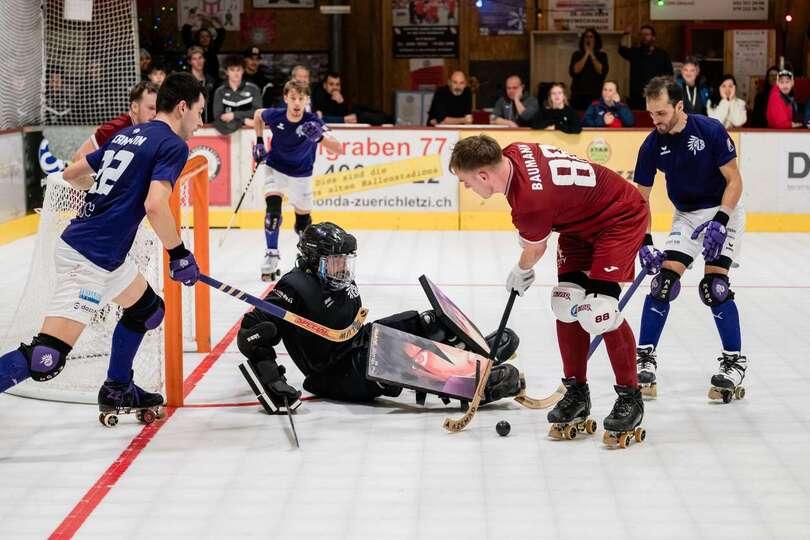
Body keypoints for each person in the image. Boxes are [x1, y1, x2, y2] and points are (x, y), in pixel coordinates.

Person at [0, 72, 206, 417]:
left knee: (147, 310)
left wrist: (108, 195)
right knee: (45, 357)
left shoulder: (126, 135)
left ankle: (117, 388)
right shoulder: (173, 145)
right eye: (199, 112)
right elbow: (155, 205)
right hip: (89, 259)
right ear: (183, 107)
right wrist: (179, 254)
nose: (200, 122)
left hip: (104, 255)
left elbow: (72, 174)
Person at [449, 134, 649, 444]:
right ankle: (576, 392)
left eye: (466, 181)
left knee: (600, 312)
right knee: (565, 303)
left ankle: (630, 397)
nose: (466, 187)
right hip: (578, 224)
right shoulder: (514, 151)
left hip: (618, 218)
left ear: (484, 175)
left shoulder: (529, 203)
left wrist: (521, 270)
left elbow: (535, 249)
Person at [236, 221, 522, 411]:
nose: (343, 268)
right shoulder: (294, 285)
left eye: (346, 260)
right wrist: (270, 376)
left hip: (356, 343)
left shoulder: (338, 279)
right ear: (314, 261)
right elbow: (251, 331)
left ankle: (473, 354)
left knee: (424, 320)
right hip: (334, 373)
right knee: (396, 355)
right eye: (336, 261)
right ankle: (472, 382)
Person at [633, 76, 746, 403]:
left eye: (662, 113)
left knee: (715, 286)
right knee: (663, 283)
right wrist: (645, 241)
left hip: (724, 210)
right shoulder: (652, 144)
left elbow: (735, 180)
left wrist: (721, 221)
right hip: (686, 215)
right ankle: (645, 358)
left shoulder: (709, 130)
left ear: (679, 106)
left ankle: (735, 363)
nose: (656, 121)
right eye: (651, 114)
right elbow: (640, 200)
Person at [252, 80, 344, 282]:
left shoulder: (313, 121)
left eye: (301, 98)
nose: (296, 103)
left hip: (301, 174)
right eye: (293, 98)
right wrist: (259, 141)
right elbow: (258, 115)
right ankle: (271, 254)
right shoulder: (275, 115)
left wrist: (319, 138)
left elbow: (338, 148)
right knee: (272, 213)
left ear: (307, 100)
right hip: (275, 167)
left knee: (302, 224)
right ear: (286, 98)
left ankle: (307, 257)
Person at [71, 81, 159, 163]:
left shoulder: (156, 129)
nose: (155, 113)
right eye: (151, 108)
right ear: (135, 107)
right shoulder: (114, 128)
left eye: (158, 109)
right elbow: (77, 159)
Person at [619, 24, 673, 109]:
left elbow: (669, 74)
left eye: (647, 34)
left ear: (653, 37)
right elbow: (621, 49)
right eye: (641, 35)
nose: (644, 37)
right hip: (637, 96)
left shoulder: (662, 54)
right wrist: (625, 34)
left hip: (656, 95)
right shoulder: (635, 52)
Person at [212, 55, 261, 135]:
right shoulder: (220, 91)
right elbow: (218, 117)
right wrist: (243, 120)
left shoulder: (253, 89)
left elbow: (258, 112)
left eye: (238, 70)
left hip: (250, 132)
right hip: (226, 133)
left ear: (243, 71)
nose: (236, 73)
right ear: (226, 72)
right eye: (232, 70)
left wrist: (234, 115)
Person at [569, 28, 609, 110]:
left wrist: (592, 54)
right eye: (586, 37)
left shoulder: (602, 55)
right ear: (583, 40)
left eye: (591, 37)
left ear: (595, 40)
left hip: (596, 95)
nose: (588, 39)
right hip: (578, 95)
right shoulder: (576, 54)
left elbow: (600, 71)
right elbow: (576, 70)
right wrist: (587, 53)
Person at [181, 11, 225, 83]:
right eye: (202, 36)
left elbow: (222, 32)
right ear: (198, 38)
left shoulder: (213, 49)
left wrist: (210, 20)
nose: (205, 39)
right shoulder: (194, 49)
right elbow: (185, 32)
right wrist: (194, 20)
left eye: (207, 36)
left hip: (213, 83)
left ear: (210, 38)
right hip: (196, 81)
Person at [187, 46, 216, 123]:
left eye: (200, 58)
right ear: (190, 62)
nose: (198, 61)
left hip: (209, 123)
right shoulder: (186, 81)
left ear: (204, 59)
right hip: (191, 123)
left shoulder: (211, 80)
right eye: (194, 59)